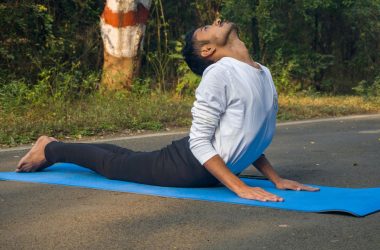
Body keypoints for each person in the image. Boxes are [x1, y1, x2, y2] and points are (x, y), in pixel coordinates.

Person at [16, 19, 319, 202]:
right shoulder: (218, 74)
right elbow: (199, 141)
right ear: (207, 51)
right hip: (187, 166)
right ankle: (51, 148)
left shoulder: (262, 72)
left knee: (124, 158)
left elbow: (248, 134)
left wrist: (275, 178)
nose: (215, 21)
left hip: (209, 169)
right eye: (206, 27)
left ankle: (52, 146)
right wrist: (240, 187)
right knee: (114, 166)